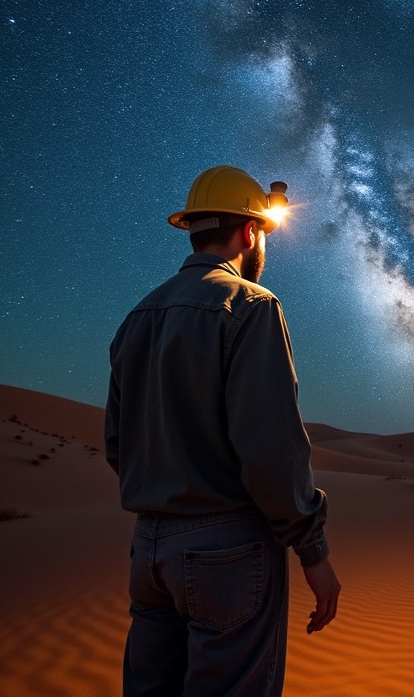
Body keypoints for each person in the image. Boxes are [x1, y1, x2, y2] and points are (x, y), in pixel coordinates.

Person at [105, 165, 340, 696]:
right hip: (229, 549)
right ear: (251, 232)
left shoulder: (135, 318)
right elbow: (272, 451)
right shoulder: (253, 307)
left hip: (148, 548)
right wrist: (314, 552)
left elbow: (118, 444)